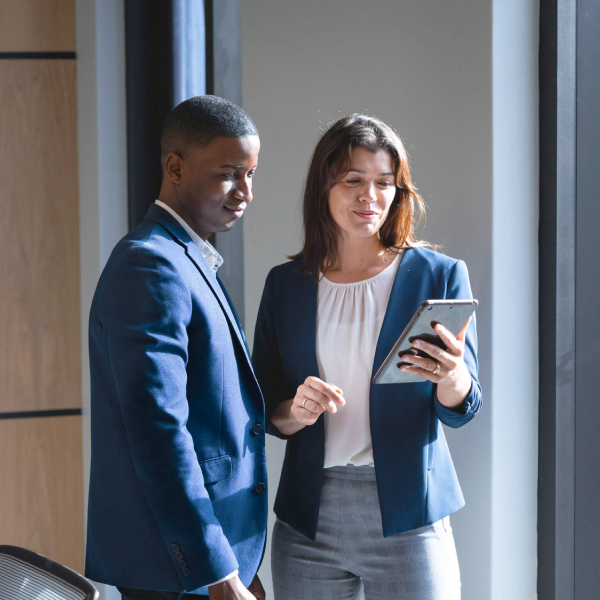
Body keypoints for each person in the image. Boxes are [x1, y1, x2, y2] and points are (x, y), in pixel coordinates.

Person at [252, 114, 482, 600]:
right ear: (324, 188)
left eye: (384, 183)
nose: (370, 197)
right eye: (353, 180)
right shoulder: (286, 285)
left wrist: (452, 374)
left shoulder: (437, 275)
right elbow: (266, 407)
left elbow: (464, 405)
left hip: (407, 511)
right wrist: (295, 411)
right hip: (310, 516)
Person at [85, 96, 267, 600]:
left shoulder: (189, 257)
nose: (245, 192)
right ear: (175, 167)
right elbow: (158, 429)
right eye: (230, 173)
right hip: (177, 568)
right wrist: (216, 569)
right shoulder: (151, 264)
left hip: (208, 557)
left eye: (252, 174)